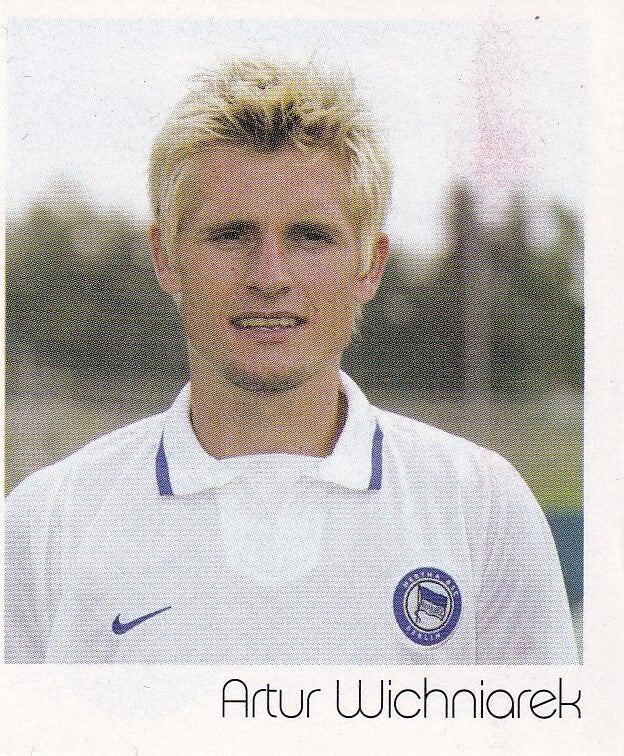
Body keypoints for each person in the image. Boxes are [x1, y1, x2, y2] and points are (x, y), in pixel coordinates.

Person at [5, 57, 578, 664]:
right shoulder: (47, 524)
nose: (270, 277)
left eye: (309, 236)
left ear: (370, 265)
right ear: (166, 258)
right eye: (231, 235)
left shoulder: (480, 509)